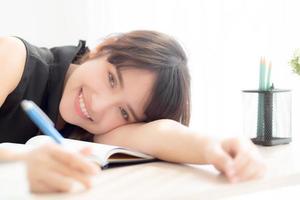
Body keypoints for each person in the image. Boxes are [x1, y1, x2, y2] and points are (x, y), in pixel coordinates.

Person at [0, 30, 266, 193]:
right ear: (104, 49)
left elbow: (159, 133)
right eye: (112, 79)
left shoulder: (100, 130)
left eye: (125, 112)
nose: (99, 105)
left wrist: (215, 147)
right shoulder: (12, 56)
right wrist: (22, 163)